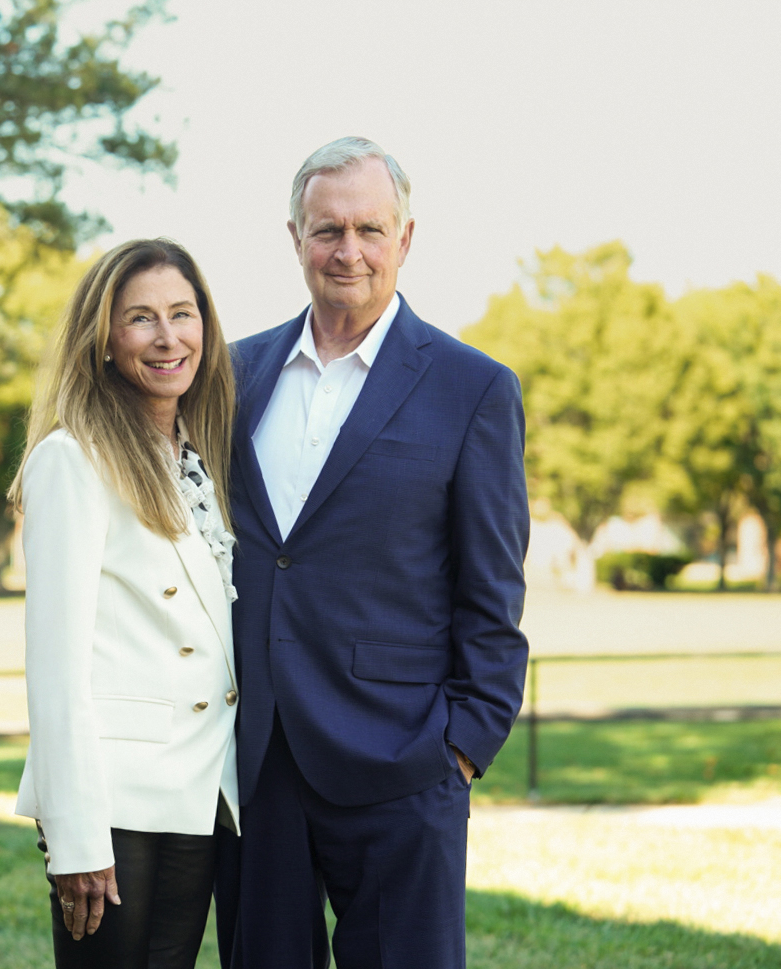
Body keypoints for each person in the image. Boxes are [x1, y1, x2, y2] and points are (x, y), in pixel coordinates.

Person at [220, 137, 530, 968]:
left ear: (406, 237)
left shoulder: (473, 388)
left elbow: (492, 588)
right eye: (327, 230)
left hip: (405, 764)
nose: (347, 250)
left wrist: (463, 747)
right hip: (260, 765)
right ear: (294, 239)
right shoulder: (231, 374)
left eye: (368, 228)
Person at [8, 238, 240, 968]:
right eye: (141, 318)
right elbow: (55, 670)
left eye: (182, 313)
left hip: (200, 788)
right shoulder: (71, 460)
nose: (168, 337)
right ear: (105, 340)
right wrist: (76, 836)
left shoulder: (197, 457)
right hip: (114, 803)